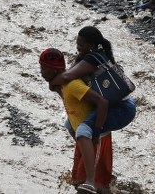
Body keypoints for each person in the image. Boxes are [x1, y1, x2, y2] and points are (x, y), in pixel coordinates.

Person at [42, 27, 137, 194]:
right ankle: (92, 167)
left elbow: (65, 77)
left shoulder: (93, 59)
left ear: (92, 45)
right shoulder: (83, 59)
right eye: (77, 43)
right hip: (110, 105)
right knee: (70, 125)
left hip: (121, 109)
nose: (78, 47)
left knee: (85, 131)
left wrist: (96, 132)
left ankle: (91, 181)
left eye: (81, 44)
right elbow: (68, 76)